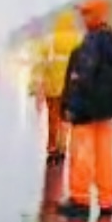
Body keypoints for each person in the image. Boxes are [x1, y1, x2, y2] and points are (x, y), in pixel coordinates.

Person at [60, 0, 112, 219]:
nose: (83, 17)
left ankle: (80, 202)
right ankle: (107, 201)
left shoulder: (93, 40)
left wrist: (73, 107)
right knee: (105, 157)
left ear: (97, 14)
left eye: (87, 13)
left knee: (82, 156)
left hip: (87, 112)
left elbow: (83, 79)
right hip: (106, 112)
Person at [31, 12, 81, 162]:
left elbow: (40, 66)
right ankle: (62, 148)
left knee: (52, 119)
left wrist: (39, 90)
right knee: (65, 119)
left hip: (52, 87)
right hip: (71, 89)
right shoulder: (77, 40)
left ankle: (52, 147)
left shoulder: (49, 41)